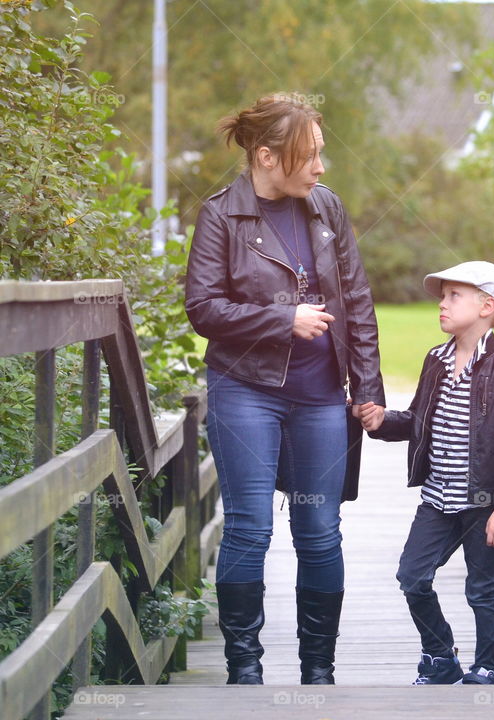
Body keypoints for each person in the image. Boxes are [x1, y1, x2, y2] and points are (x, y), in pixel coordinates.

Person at [185, 93, 385, 686]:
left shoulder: (327, 209)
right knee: (250, 526)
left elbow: (357, 301)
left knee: (320, 529)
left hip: (322, 395)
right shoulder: (222, 215)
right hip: (244, 388)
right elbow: (202, 308)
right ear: (267, 157)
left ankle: (317, 672)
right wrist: (282, 319)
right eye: (311, 156)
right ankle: (244, 669)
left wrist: (367, 387)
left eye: (322, 155)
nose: (321, 168)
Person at [363, 260, 494, 685]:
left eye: (453, 295)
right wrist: (383, 421)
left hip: (482, 504)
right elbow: (420, 420)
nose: (441, 303)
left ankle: (488, 665)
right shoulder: (435, 360)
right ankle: (441, 656)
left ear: (486, 305)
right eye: (443, 296)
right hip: (438, 500)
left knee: (483, 589)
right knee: (412, 577)